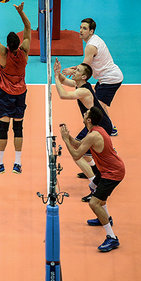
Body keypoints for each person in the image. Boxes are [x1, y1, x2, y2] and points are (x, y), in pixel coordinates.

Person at [59, 107, 125, 252]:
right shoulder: (94, 131)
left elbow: (76, 155)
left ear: (89, 120)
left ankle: (112, 238)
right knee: (93, 186)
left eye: (86, 114)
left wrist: (65, 140)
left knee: (94, 203)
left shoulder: (93, 135)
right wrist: (69, 137)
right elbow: (79, 145)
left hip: (113, 172)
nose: (84, 114)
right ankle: (106, 218)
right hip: (106, 170)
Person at [54, 59, 114, 200]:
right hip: (93, 123)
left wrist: (56, 78)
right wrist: (58, 72)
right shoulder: (80, 83)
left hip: (101, 126)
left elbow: (63, 95)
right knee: (85, 152)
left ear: (83, 77)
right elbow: (64, 81)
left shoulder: (84, 91)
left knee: (78, 153)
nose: (75, 71)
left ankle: (95, 185)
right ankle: (93, 170)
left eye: (78, 70)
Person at [0, 2, 31, 174]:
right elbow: (28, 26)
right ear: (19, 43)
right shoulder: (25, 52)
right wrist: (20, 12)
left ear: (7, 44)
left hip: (5, 95)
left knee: (3, 129)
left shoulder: (3, 54)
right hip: (20, 94)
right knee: (18, 129)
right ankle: (17, 164)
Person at [62, 18, 123, 135]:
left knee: (97, 110)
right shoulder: (93, 40)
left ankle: (98, 133)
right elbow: (85, 65)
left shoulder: (91, 46)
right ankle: (110, 128)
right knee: (100, 106)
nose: (80, 30)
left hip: (110, 79)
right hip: (104, 78)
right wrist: (74, 69)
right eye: (80, 27)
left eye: (84, 28)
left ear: (91, 31)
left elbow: (85, 67)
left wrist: (72, 70)